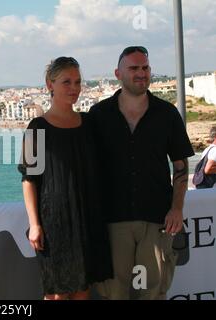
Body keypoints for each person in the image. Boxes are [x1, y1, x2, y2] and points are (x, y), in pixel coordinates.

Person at [88, 46, 195, 300]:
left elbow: (180, 166)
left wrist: (177, 208)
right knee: (114, 293)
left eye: (145, 68)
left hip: (157, 219)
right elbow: (87, 167)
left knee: (154, 291)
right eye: (134, 68)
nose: (141, 73)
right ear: (118, 73)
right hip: (112, 220)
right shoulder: (99, 115)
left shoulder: (167, 114)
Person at [18, 57, 113, 300]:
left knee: (83, 290)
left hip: (87, 217)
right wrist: (35, 224)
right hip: (53, 223)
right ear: (50, 84)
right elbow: (28, 179)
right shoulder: (36, 127)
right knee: (56, 295)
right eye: (66, 82)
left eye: (78, 82)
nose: (74, 88)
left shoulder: (90, 124)